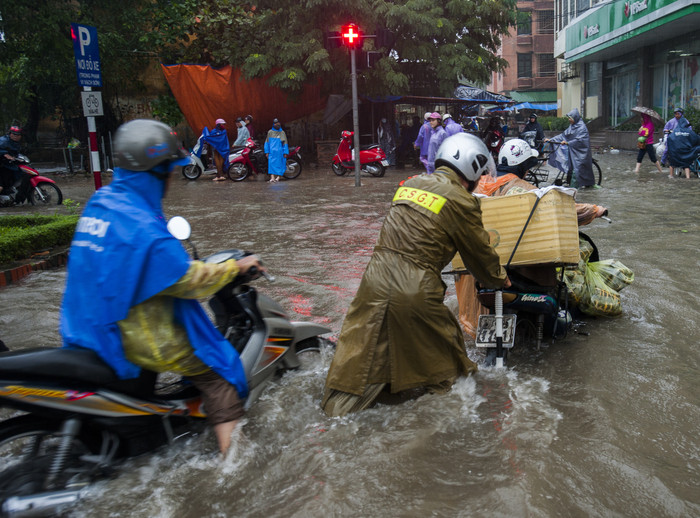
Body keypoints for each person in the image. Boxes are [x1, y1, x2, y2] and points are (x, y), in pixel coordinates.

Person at [60, 119, 263, 455]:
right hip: (135, 335)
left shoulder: (103, 203)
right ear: (154, 172)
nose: (172, 177)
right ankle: (234, 469)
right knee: (220, 377)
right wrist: (235, 266)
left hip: (87, 325)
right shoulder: (146, 232)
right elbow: (188, 281)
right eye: (169, 168)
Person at [321, 133, 510, 417]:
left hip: (373, 282)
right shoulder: (462, 200)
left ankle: (332, 421)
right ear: (472, 167)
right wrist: (501, 279)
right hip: (415, 290)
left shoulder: (408, 186)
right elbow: (479, 254)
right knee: (454, 372)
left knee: (361, 366)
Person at [545, 108, 595, 188]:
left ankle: (574, 189)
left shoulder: (582, 128)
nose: (569, 120)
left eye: (570, 118)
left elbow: (580, 140)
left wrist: (568, 142)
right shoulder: (572, 127)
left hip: (581, 153)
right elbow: (563, 136)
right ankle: (571, 185)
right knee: (570, 169)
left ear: (575, 118)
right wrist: (551, 140)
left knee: (577, 170)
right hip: (573, 151)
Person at [264, 118, 289, 183]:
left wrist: (285, 152)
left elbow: (285, 143)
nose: (277, 124)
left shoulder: (282, 132)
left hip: (280, 152)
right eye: (275, 123)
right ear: (273, 124)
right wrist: (267, 152)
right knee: (271, 165)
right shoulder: (270, 132)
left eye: (278, 123)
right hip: (272, 152)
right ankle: (272, 177)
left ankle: (278, 177)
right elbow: (267, 142)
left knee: (281, 164)